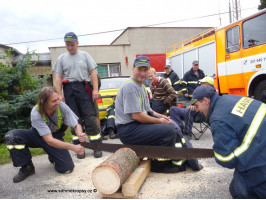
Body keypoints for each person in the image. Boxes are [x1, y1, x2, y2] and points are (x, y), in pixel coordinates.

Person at [115, 56, 203, 173]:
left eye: (145, 70)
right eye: (139, 69)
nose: (142, 73)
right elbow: (137, 116)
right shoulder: (130, 86)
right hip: (129, 130)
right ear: (133, 68)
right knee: (169, 131)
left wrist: (162, 117)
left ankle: (174, 157)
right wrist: (159, 122)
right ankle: (159, 165)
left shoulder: (140, 86)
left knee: (169, 126)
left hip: (135, 126)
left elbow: (149, 111)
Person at [187, 85, 266, 198]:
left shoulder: (218, 119)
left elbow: (227, 159)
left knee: (240, 192)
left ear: (205, 100)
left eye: (196, 105)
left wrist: (218, 151)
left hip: (260, 161)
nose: (197, 110)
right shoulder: (230, 98)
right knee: (233, 187)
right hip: (261, 141)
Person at [5, 87, 86, 183]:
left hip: (55, 135)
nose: (57, 102)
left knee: (67, 168)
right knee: (11, 136)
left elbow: (76, 124)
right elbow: (49, 140)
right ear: (44, 102)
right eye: (53, 101)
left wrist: (79, 133)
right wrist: (73, 147)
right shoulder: (36, 112)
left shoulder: (61, 106)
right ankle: (27, 167)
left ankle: (52, 155)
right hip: (37, 135)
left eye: (58, 99)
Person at [52, 32, 102, 159]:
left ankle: (96, 146)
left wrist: (95, 89)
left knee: (90, 118)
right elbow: (58, 77)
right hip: (69, 89)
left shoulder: (85, 55)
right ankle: (79, 148)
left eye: (72, 44)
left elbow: (93, 72)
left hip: (84, 88)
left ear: (77, 43)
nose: (70, 47)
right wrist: (59, 94)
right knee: (74, 119)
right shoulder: (61, 58)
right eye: (67, 45)